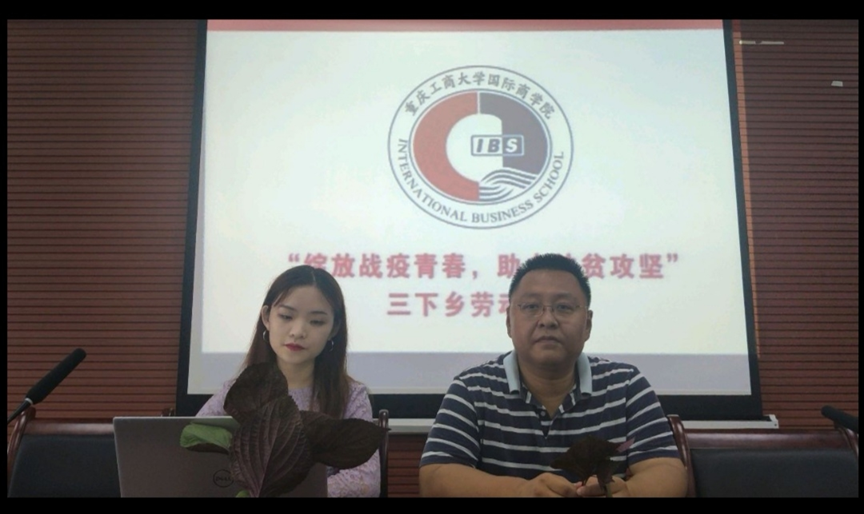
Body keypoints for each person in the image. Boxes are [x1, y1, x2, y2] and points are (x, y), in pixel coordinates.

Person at [419, 253, 687, 497]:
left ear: (587, 324)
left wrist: (629, 492)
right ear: (509, 322)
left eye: (564, 307)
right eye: (531, 307)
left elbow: (666, 470)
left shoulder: (626, 385)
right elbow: (436, 476)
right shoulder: (472, 389)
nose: (547, 320)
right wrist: (520, 492)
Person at [198, 265, 380, 497]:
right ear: (267, 317)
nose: (298, 331)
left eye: (316, 322)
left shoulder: (350, 395)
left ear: (334, 328)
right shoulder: (236, 391)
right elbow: (189, 450)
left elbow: (365, 481)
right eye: (286, 316)